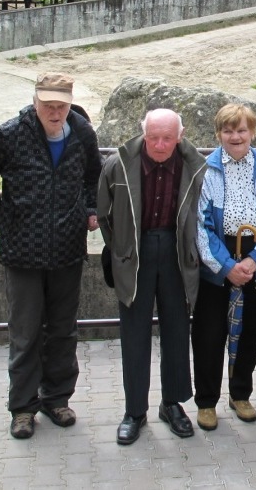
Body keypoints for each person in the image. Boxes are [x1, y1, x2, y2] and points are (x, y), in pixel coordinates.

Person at [0, 72, 101, 439]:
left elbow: (94, 177)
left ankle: (57, 399)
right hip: (23, 252)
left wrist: (89, 209)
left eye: (61, 106)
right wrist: (4, 215)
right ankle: (23, 407)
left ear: (70, 104)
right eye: (48, 105)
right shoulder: (11, 134)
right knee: (25, 334)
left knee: (63, 331)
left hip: (68, 250)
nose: (54, 113)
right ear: (35, 101)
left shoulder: (83, 133)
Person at [97, 108, 206, 445]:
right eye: (153, 137)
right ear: (143, 134)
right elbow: (104, 214)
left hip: (176, 252)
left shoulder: (194, 164)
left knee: (177, 330)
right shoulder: (118, 164)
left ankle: (172, 404)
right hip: (135, 253)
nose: (159, 145)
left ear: (180, 136)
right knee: (134, 333)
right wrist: (122, 249)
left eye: (167, 138)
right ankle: (134, 411)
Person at [193, 104, 256, 431]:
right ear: (218, 134)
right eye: (228, 130)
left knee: (248, 332)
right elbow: (201, 226)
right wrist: (226, 266)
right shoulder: (207, 171)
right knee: (209, 334)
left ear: (253, 133)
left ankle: (240, 395)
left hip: (255, 264)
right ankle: (206, 401)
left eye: (242, 130)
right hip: (218, 264)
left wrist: (255, 260)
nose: (235, 136)